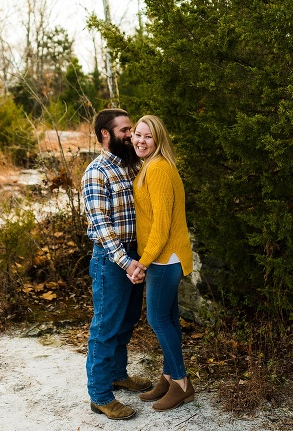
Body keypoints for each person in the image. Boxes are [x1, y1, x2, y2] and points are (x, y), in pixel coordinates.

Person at [81, 108, 152, 420]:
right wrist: (128, 263)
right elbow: (101, 225)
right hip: (111, 259)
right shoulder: (96, 172)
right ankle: (99, 395)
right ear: (104, 135)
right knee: (106, 326)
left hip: (134, 255)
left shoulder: (129, 166)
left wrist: (141, 258)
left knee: (127, 321)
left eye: (131, 129)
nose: (130, 135)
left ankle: (117, 373)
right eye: (124, 130)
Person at [130, 114, 195, 411]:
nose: (141, 141)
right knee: (167, 318)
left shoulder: (157, 169)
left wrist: (143, 262)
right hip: (162, 256)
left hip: (164, 258)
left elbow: (161, 225)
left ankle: (181, 383)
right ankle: (168, 377)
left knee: (157, 319)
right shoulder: (151, 166)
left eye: (148, 137)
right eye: (137, 135)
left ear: (158, 140)